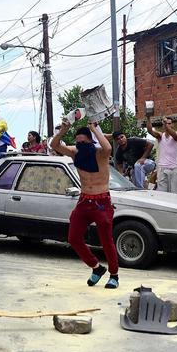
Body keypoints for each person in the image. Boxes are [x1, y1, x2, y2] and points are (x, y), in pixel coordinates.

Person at [51, 119, 119, 289]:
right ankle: (96, 268)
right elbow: (55, 145)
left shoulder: (100, 153)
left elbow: (109, 147)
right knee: (73, 238)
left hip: (102, 201)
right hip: (84, 200)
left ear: (90, 140)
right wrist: (63, 130)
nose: (80, 144)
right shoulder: (75, 152)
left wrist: (94, 129)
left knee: (106, 240)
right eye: (78, 141)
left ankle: (114, 275)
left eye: (84, 141)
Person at [146, 115, 177, 194]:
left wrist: (165, 124)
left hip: (174, 169)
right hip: (162, 169)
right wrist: (148, 118)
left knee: (176, 195)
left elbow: (175, 135)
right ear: (163, 125)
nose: (167, 125)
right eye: (166, 124)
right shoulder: (160, 136)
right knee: (163, 195)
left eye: (169, 123)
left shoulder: (176, 134)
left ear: (173, 125)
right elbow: (149, 131)